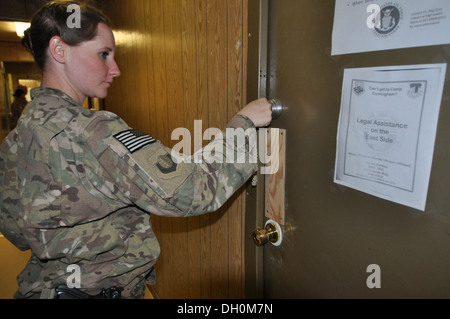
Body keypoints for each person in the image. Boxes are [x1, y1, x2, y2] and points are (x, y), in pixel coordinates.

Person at [0, 1, 272, 299]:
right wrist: (243, 125)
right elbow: (193, 191)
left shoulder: (18, 135)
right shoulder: (92, 131)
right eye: (103, 54)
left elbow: (15, 230)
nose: (115, 69)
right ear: (59, 50)